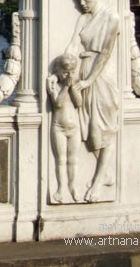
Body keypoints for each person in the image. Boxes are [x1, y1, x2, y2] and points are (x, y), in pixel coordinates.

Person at [65, 0, 120, 203]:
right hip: (84, 70)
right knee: (86, 128)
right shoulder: (83, 19)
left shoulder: (111, 17)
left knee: (103, 129)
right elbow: (72, 45)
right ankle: (104, 173)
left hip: (102, 75)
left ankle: (99, 182)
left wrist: (88, 80)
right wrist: (61, 69)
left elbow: (106, 53)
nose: (83, 3)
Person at [47, 53, 83, 203]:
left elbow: (79, 103)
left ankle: (73, 186)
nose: (69, 75)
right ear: (58, 71)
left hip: (74, 127)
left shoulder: (74, 85)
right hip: (58, 127)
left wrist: (72, 86)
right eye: (65, 72)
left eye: (72, 73)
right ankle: (61, 188)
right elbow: (58, 104)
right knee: (61, 160)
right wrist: (66, 87)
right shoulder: (54, 85)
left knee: (73, 160)